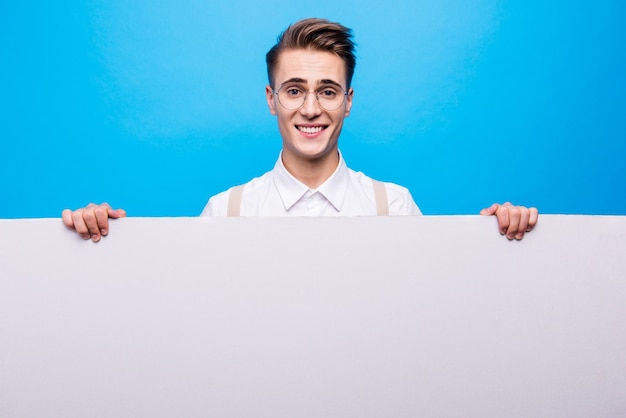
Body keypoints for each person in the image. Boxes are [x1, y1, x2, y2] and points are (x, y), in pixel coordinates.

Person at [62, 18, 538, 242]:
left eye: (328, 91)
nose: (310, 109)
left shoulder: (394, 207)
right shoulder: (225, 212)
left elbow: (435, 314)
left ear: (348, 103)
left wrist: (501, 239)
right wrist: (100, 242)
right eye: (294, 90)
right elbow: (189, 320)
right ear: (271, 100)